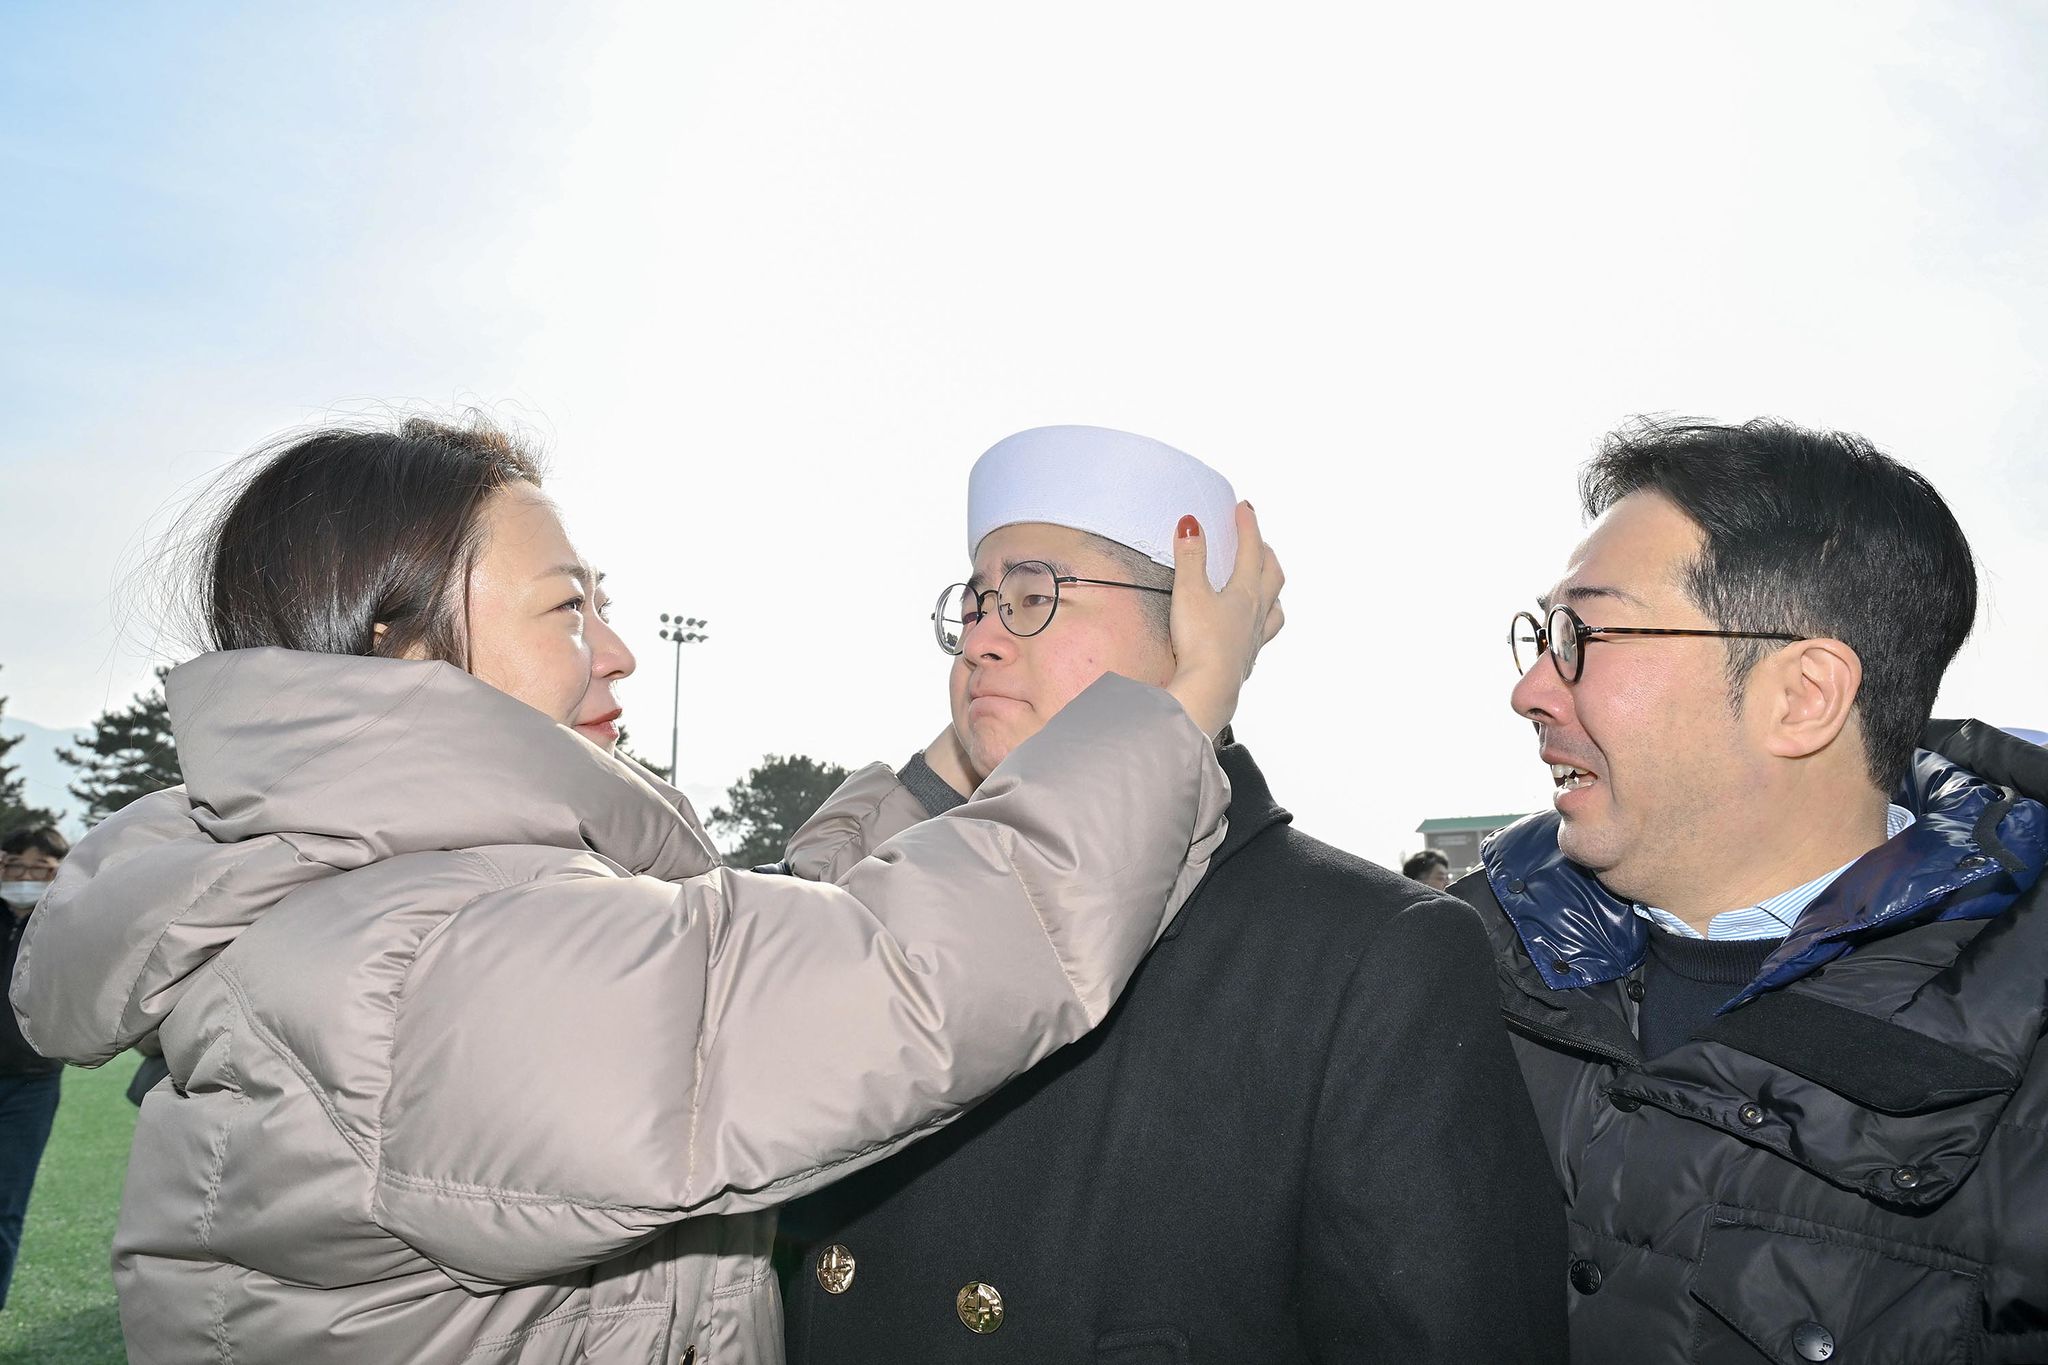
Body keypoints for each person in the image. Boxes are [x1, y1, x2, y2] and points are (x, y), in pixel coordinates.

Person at [8, 413, 1283, 1364]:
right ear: (406, 652)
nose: (615, 650)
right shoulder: (421, 964)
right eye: (567, 611)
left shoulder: (375, 898)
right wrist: (1179, 708)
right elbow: (891, 984)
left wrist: (947, 767)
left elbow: (729, 957)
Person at [777, 425, 1563, 1362]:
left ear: (1191, 632)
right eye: (977, 603)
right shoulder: (906, 911)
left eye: (1032, 597)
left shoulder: (1371, 956)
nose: (981, 640)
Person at [1466, 416, 2048, 1363]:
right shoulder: (1441, 964)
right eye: (1541, 633)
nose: (1531, 688)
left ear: (1803, 695)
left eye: (1584, 633)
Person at [0, 824, 67, 1311]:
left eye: (40, 869)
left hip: (32, 1085)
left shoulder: (67, 925)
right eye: (14, 865)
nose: (24, 878)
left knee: (6, 1204)